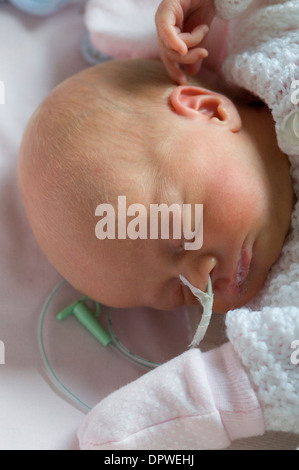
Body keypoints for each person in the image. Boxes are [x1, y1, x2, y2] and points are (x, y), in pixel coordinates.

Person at [17, 0, 299, 450]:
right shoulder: (285, 306)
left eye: (180, 229)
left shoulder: (269, 43)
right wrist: (197, 397)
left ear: (207, 109)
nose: (200, 278)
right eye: (179, 293)